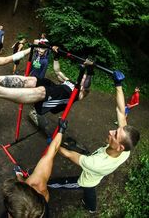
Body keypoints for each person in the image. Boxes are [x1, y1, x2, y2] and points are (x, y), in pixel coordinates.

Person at [47, 72, 140, 214]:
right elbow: (121, 112)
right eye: (115, 130)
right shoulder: (125, 149)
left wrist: (54, 145)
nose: (110, 131)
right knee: (90, 192)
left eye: (115, 134)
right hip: (97, 173)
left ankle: (48, 184)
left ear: (120, 147)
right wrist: (118, 85)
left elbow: (70, 155)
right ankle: (91, 207)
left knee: (69, 184)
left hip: (86, 179)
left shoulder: (96, 163)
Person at [0, 48, 93, 115]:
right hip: (54, 87)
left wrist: (90, 71)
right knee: (31, 80)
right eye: (83, 76)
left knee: (41, 91)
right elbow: (57, 71)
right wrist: (57, 55)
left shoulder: (82, 92)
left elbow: (86, 85)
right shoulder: (70, 81)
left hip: (60, 97)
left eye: (84, 78)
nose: (83, 78)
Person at [1, 118, 68, 218]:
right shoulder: (39, 188)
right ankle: (19, 176)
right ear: (35, 192)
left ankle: (19, 175)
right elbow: (50, 155)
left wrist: (61, 131)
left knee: (24, 181)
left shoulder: (34, 186)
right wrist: (60, 131)